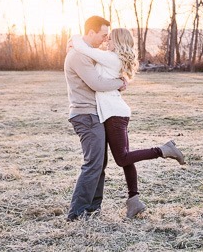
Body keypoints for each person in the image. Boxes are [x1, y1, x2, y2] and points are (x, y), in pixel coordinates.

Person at [70, 27, 185, 219]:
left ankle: (163, 150)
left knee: (122, 158)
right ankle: (134, 201)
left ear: (118, 41)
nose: (107, 41)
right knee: (126, 158)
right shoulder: (111, 57)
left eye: (111, 38)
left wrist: (74, 37)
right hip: (113, 112)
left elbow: (86, 50)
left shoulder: (112, 57)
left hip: (114, 114)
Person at [63, 16, 128, 222]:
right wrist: (119, 83)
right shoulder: (78, 56)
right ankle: (77, 213)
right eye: (102, 35)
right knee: (93, 163)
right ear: (90, 33)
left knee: (100, 163)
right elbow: (96, 82)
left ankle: (93, 207)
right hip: (85, 114)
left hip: (94, 113)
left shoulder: (85, 52)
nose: (104, 40)